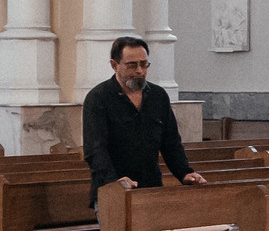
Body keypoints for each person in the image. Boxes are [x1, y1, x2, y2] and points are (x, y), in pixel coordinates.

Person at [83, 36, 205, 201]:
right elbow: (95, 150)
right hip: (111, 192)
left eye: (144, 64)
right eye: (132, 65)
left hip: (152, 187)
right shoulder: (98, 98)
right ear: (114, 65)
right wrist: (113, 182)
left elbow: (171, 143)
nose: (140, 71)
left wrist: (184, 172)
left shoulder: (158, 96)